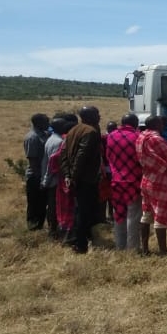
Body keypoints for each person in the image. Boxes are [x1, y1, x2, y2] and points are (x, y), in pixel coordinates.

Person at [137, 115, 167, 256]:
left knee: (146, 214)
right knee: (160, 215)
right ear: (157, 124)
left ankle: (145, 249)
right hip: (160, 181)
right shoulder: (156, 139)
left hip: (146, 178)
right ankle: (163, 251)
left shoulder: (141, 137)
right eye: (161, 123)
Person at [60, 107, 104, 254]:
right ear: (90, 116)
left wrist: (67, 175)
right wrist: (73, 177)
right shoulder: (90, 132)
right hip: (86, 179)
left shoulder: (73, 130)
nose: (100, 116)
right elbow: (81, 156)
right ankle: (80, 244)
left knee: (81, 210)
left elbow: (64, 155)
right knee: (84, 212)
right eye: (97, 114)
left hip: (77, 177)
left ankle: (81, 238)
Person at [106, 113, 143, 251]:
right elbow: (141, 159)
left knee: (119, 214)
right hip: (133, 181)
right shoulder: (137, 137)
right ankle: (132, 249)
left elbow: (109, 157)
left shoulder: (111, 136)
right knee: (133, 216)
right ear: (135, 123)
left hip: (116, 181)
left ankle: (120, 245)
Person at [23, 112, 50, 230]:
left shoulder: (43, 134)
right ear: (38, 123)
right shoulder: (32, 137)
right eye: (46, 122)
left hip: (42, 175)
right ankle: (33, 227)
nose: (48, 124)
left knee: (42, 204)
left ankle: (39, 225)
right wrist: (40, 179)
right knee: (34, 203)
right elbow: (33, 161)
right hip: (35, 177)